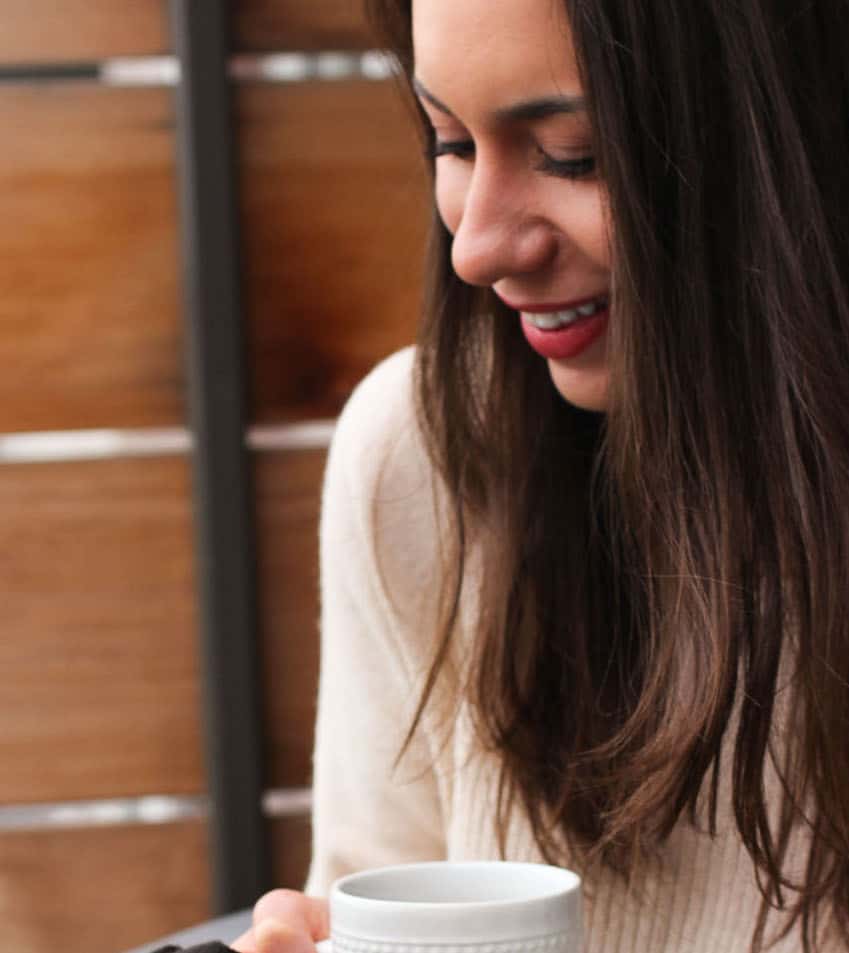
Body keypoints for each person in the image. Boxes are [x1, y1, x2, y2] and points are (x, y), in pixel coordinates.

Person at [234, 0, 849, 951]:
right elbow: (364, 892)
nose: (474, 250)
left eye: (571, 153)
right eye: (450, 141)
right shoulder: (423, 455)